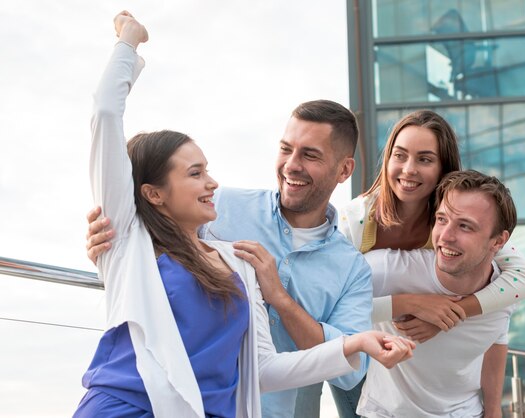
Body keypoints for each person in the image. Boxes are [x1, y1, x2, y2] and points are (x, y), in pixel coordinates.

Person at [75, 11, 414, 418]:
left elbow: (271, 368)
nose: (213, 184)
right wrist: (129, 45)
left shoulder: (245, 260)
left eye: (309, 154)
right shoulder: (167, 227)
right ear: (154, 194)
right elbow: (106, 119)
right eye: (286, 149)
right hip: (126, 405)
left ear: (344, 170)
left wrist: (350, 341)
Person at [330, 110, 525, 416]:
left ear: (444, 168)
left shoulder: (454, 220)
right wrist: (411, 303)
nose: (409, 169)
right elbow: (330, 307)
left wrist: (450, 314)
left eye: (425, 159)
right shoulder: (358, 219)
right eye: (399, 155)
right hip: (355, 356)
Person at [357, 169, 521, 417]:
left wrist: (494, 409)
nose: (445, 237)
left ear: (498, 242)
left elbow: (496, 340)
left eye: (465, 226)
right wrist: (407, 304)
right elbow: (327, 308)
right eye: (442, 219)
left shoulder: (504, 290)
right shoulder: (389, 269)